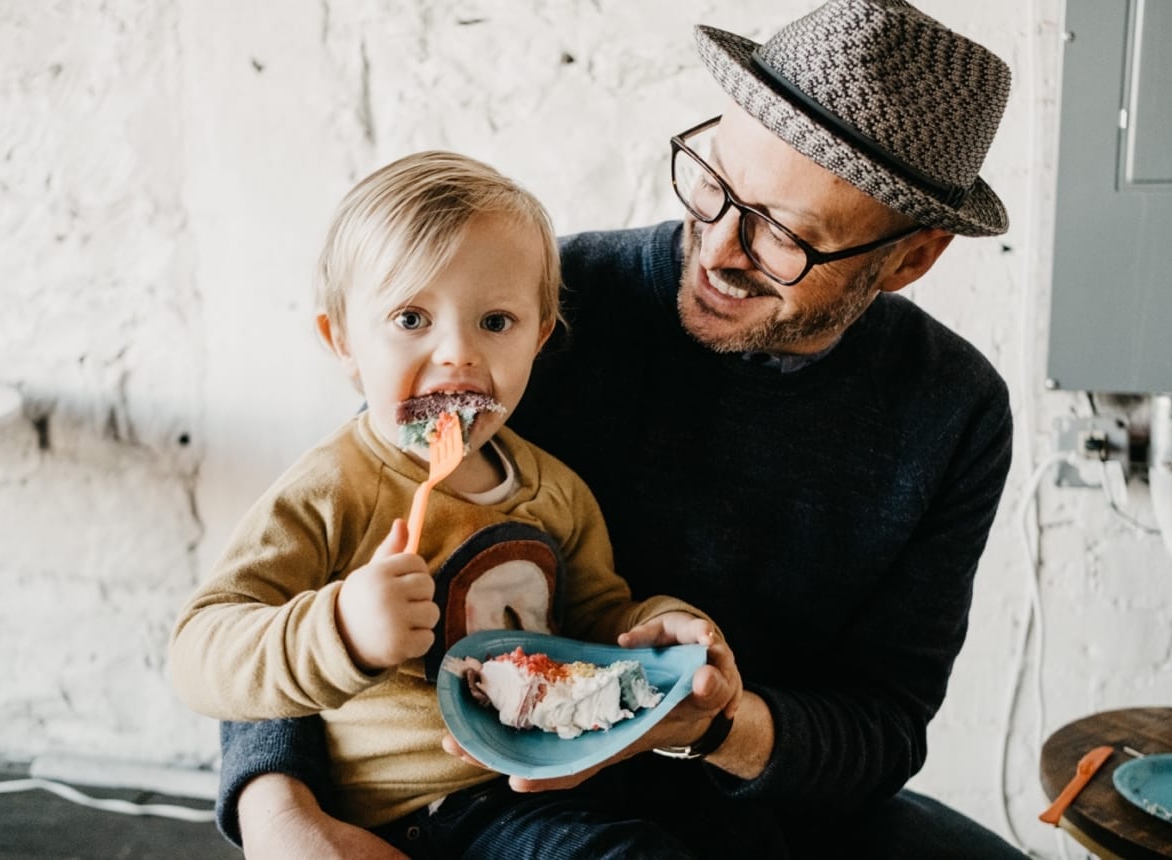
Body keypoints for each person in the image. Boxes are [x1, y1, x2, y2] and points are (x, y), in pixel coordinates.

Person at [216, 1, 1026, 857]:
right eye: (713, 186)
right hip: (477, 798)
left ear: (910, 258)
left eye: (784, 235)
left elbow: (884, 726)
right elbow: (330, 531)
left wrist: (708, 723)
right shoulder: (531, 309)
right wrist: (283, 817)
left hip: (756, 798)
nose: (717, 249)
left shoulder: (954, 409)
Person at [168, 150, 737, 857]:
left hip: (538, 796)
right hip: (395, 814)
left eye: (496, 323)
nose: (457, 355)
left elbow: (596, 626)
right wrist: (340, 628)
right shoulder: (332, 490)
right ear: (341, 341)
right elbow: (198, 651)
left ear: (541, 336)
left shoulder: (557, 493)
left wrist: (659, 627)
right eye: (411, 318)